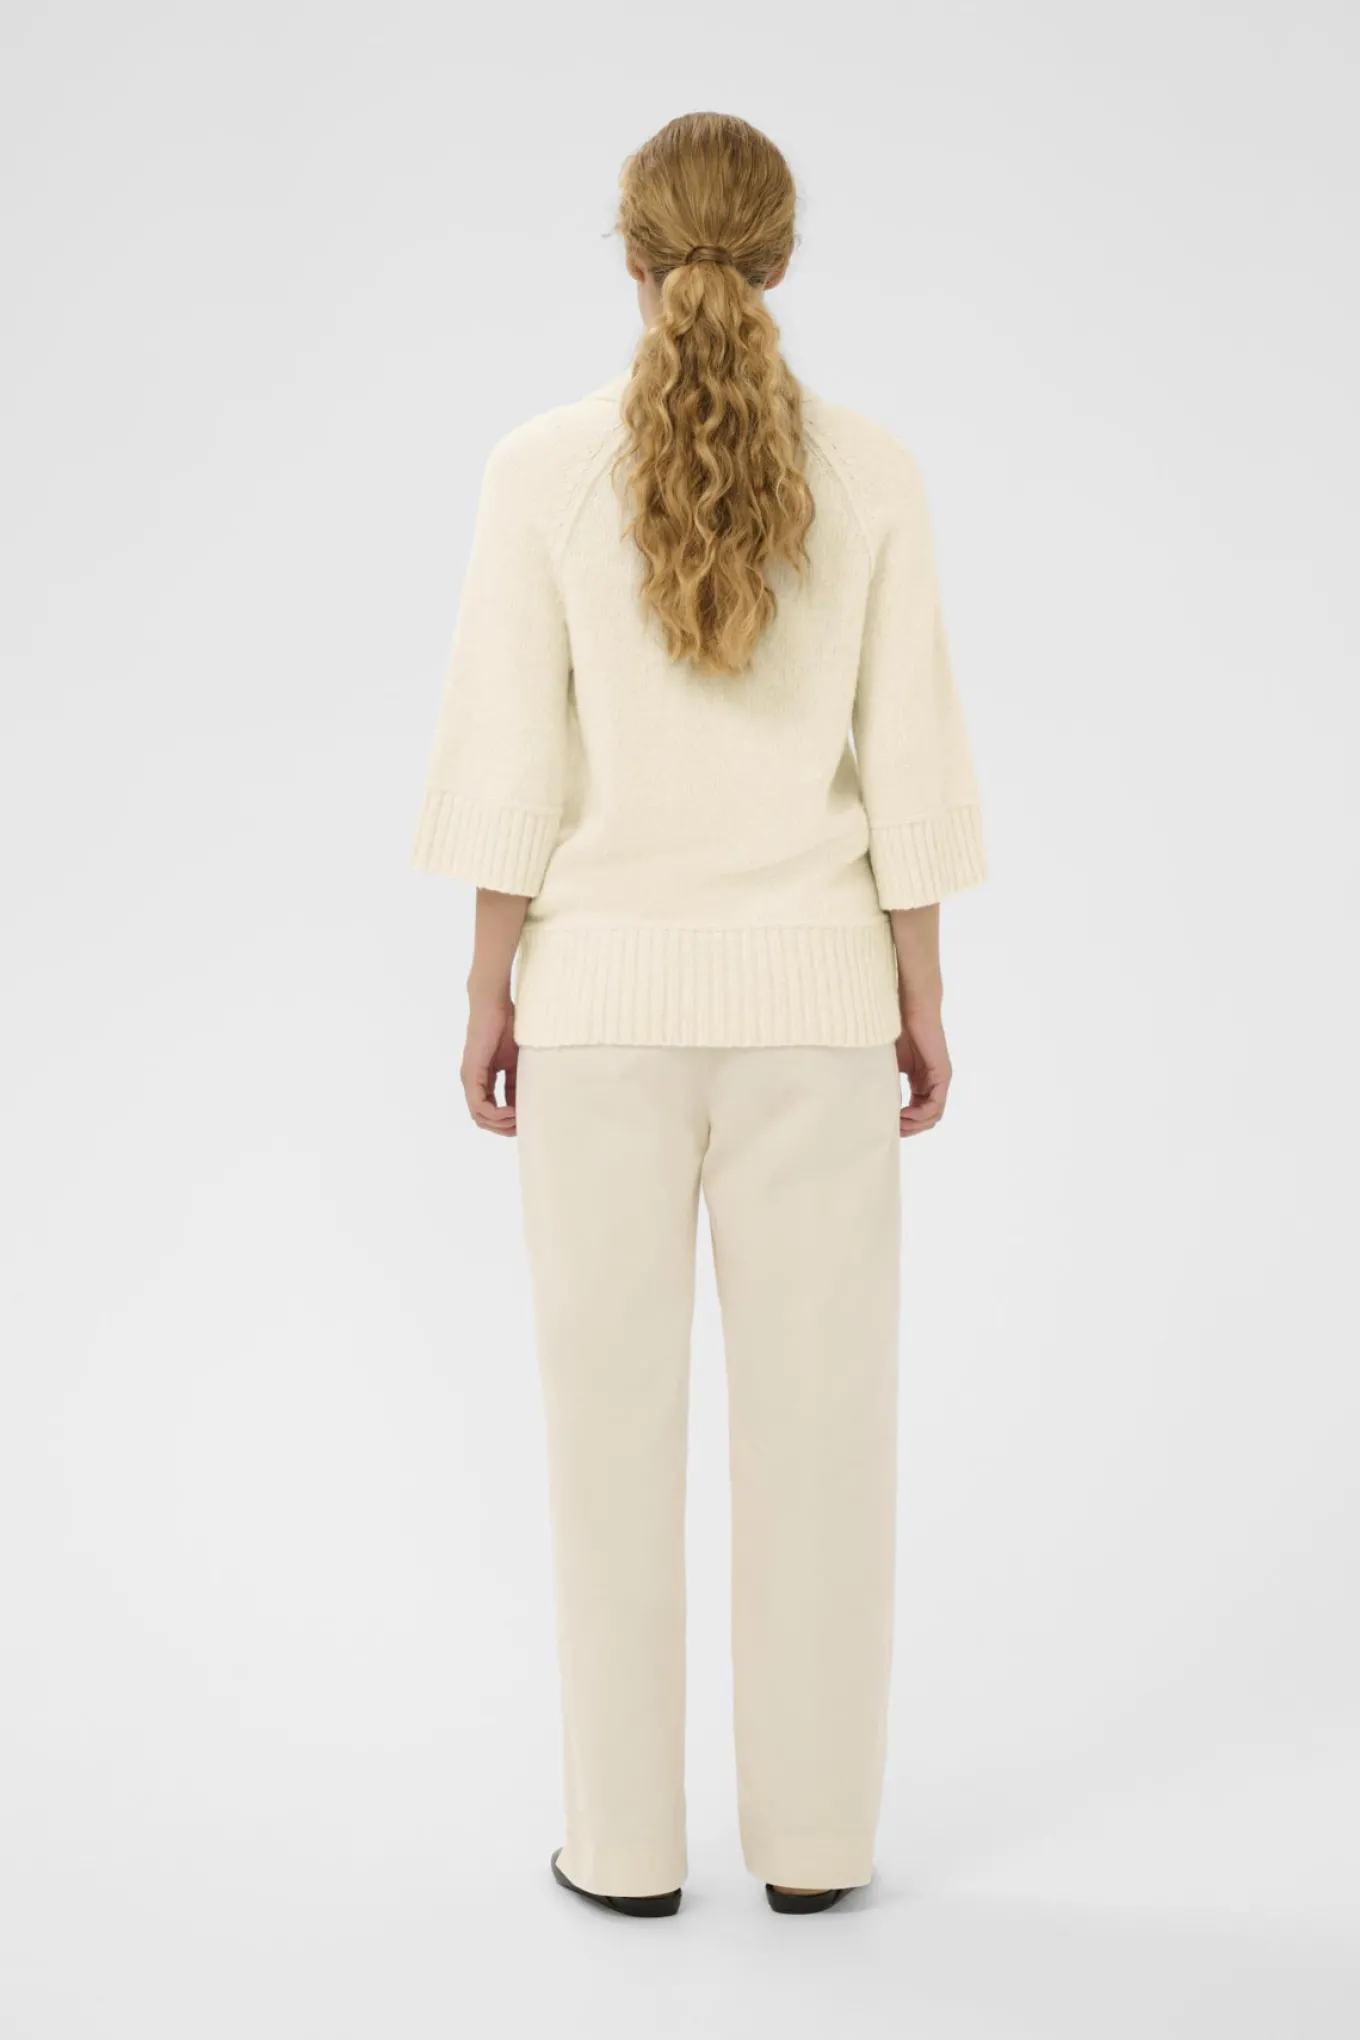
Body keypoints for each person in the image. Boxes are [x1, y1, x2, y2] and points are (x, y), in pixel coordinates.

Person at [412, 110, 986, 1918]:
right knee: (823, 1447)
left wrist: (491, 986)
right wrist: (919, 998)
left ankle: (625, 1854)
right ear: (784, 258)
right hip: (819, 1017)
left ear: (631, 257)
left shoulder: (538, 473)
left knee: (608, 1448)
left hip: (596, 1019)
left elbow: (513, 757)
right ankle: (816, 1853)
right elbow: (909, 763)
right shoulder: (876, 475)